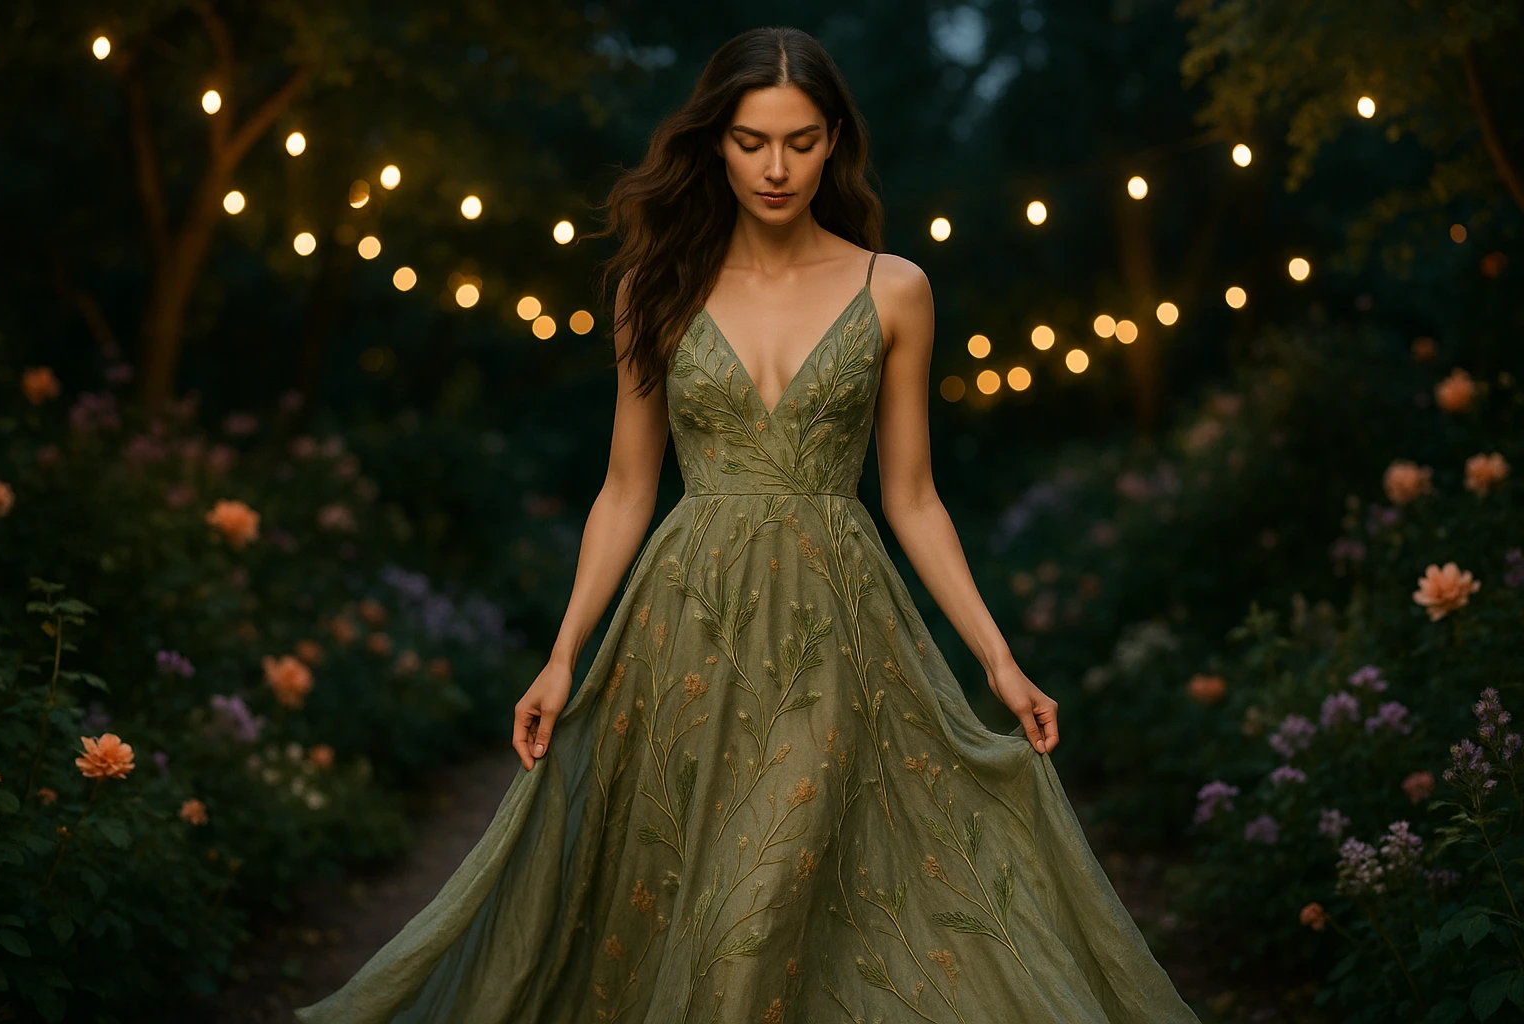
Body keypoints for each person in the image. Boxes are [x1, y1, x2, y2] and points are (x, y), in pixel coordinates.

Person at [296, 25, 1201, 1024]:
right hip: (683, 633)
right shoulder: (655, 289)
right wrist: (561, 656)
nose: (776, 168)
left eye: (802, 141)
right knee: (692, 888)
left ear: (836, 141)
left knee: (769, 886)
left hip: (837, 631)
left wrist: (996, 659)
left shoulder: (892, 287)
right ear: (714, 142)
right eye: (751, 140)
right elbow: (626, 489)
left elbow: (912, 497)